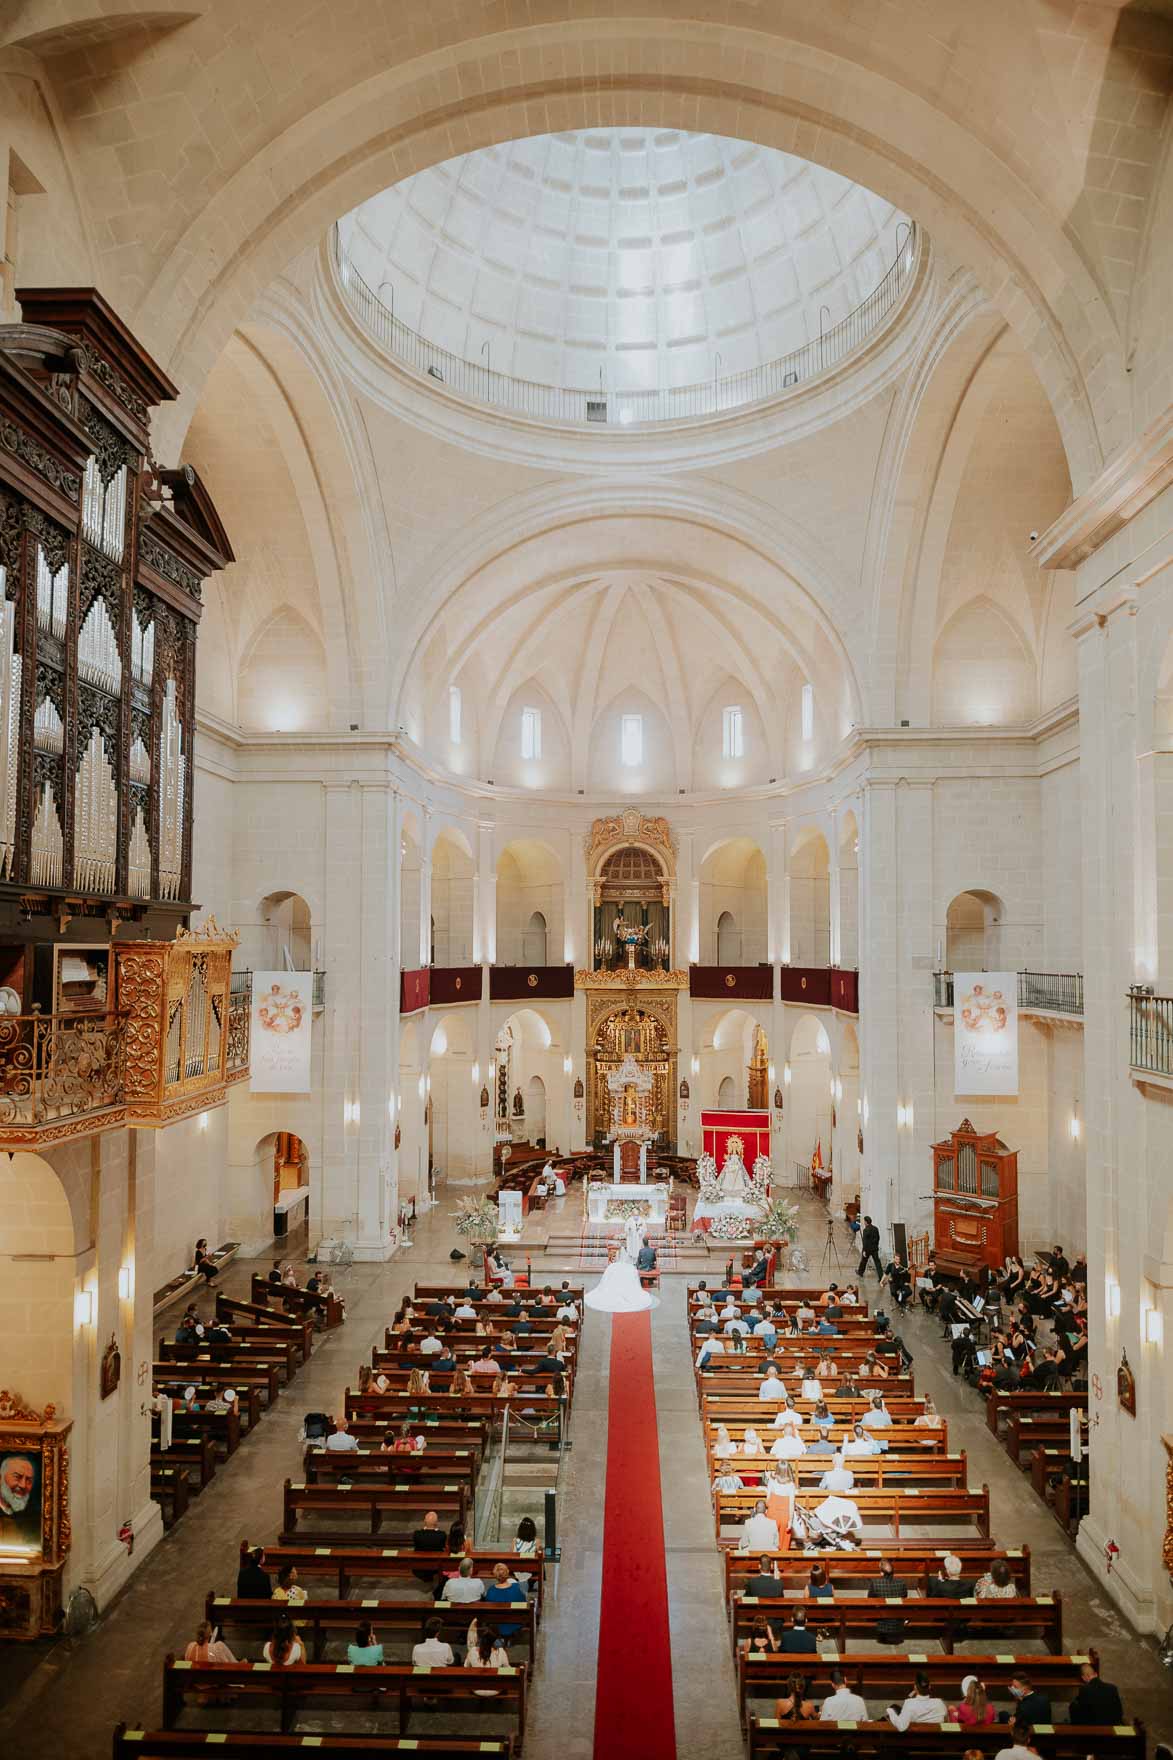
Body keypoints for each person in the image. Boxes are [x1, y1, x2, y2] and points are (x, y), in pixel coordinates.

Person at [1067, 1649, 1123, 1724]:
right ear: (1096, 1674)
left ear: (1084, 1678)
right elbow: (1120, 1712)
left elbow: (1082, 1713)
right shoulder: (1112, 1688)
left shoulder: (1085, 1689)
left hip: (1094, 1728)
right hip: (1112, 1727)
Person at [483, 1561, 527, 1639]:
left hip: (496, 1624)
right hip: (515, 1623)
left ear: (495, 1575)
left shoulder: (491, 1590)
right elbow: (523, 1603)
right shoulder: (517, 1588)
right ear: (508, 1573)